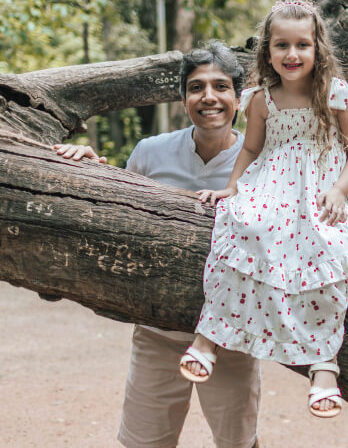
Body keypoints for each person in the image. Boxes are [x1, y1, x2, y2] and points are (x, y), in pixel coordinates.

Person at [178, 0, 348, 419]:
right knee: (244, 228)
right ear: (268, 50)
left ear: (318, 48)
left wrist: (340, 191)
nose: (292, 54)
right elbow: (251, 149)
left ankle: (324, 364)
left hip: (321, 188)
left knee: (328, 246)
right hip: (271, 186)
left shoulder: (336, 93)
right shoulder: (261, 98)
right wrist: (232, 187)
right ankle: (209, 338)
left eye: (302, 45)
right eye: (282, 45)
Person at [53, 43, 261, 448]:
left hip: (232, 334)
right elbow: (118, 215)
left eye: (221, 86)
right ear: (183, 99)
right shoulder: (150, 153)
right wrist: (86, 168)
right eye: (196, 87)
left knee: (238, 442)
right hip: (156, 333)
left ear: (239, 98)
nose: (209, 97)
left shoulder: (264, 161)